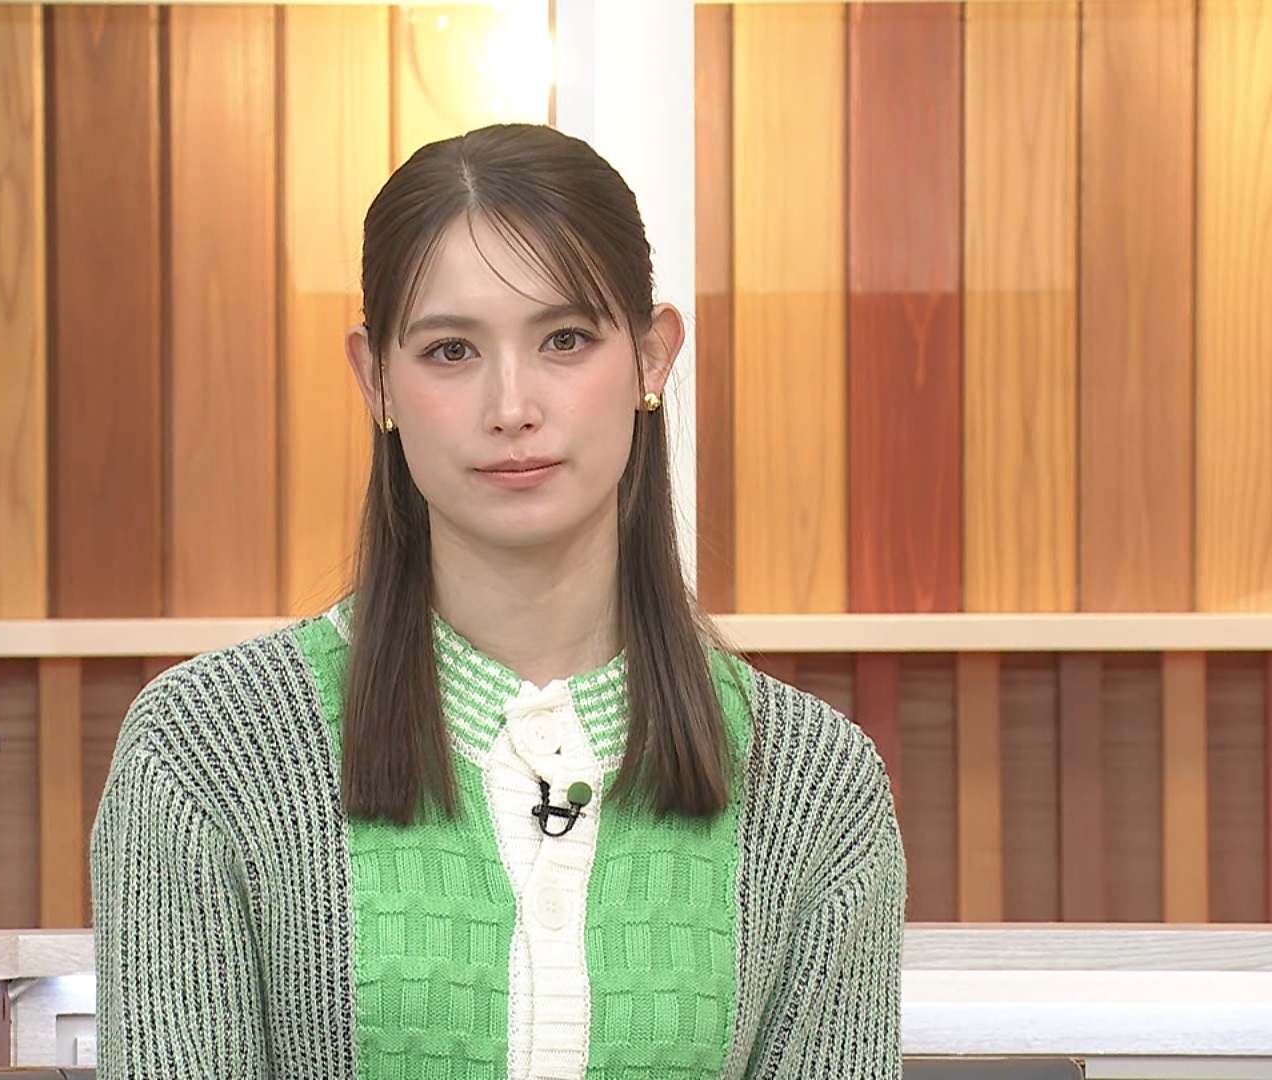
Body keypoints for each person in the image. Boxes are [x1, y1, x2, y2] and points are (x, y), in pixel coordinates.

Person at [91, 122, 906, 1080]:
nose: (511, 406)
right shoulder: (204, 754)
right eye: (451, 351)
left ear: (652, 358)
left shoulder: (816, 787)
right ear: (375, 379)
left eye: (565, 340)